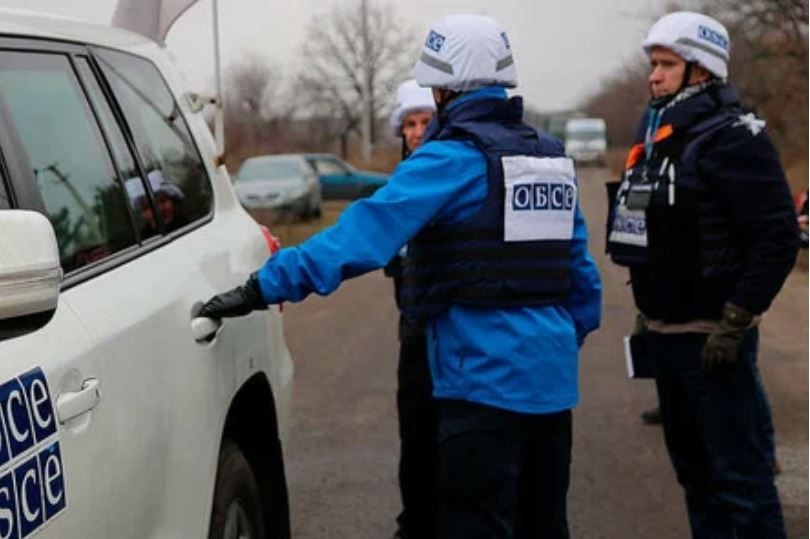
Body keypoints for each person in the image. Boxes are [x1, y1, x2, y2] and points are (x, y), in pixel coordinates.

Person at [200, 14, 601, 539]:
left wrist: (262, 285)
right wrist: (546, 349)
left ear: (443, 89)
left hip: (480, 388)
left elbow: (361, 236)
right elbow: (583, 284)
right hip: (552, 391)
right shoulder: (550, 159)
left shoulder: (449, 159)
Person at [606, 11, 798, 538]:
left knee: (741, 483)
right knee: (696, 480)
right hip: (667, 340)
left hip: (715, 344)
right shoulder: (660, 138)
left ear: (701, 71)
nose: (654, 75)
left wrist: (737, 317)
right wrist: (650, 310)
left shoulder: (733, 138)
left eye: (667, 64)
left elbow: (777, 236)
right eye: (653, 64)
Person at [384, 79, 438, 539]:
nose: (417, 132)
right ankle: (415, 521)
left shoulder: (455, 174)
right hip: (413, 329)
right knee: (415, 433)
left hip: (454, 330)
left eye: (425, 121)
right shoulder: (397, 186)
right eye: (410, 124)